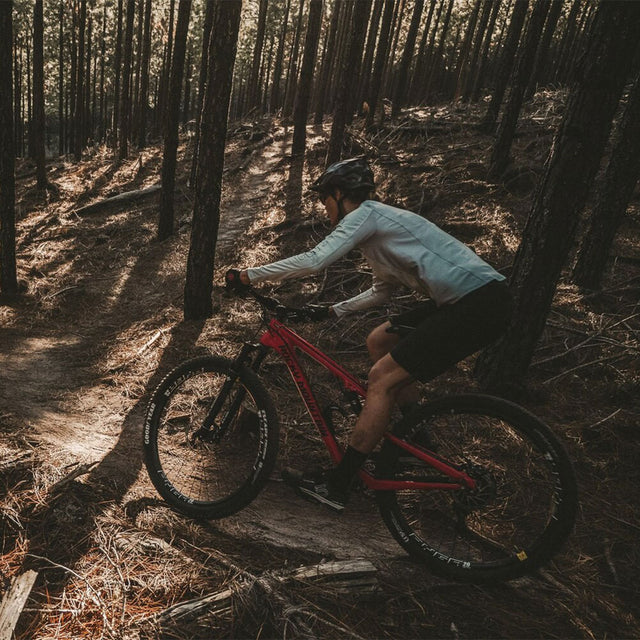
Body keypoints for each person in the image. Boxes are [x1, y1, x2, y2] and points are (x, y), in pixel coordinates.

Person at [226, 157, 512, 512]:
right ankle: (416, 439)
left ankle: (338, 483)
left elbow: (315, 260)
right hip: (472, 299)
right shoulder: (378, 232)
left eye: (324, 198)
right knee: (380, 341)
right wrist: (331, 310)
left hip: (477, 302)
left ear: (339, 192)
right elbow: (382, 290)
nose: (323, 207)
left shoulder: (368, 214)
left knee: (381, 380)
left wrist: (248, 275)